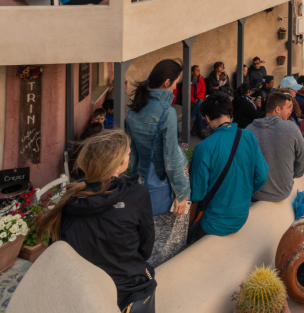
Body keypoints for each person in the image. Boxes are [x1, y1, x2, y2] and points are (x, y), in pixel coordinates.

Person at [38, 131, 157, 313]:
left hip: (85, 293)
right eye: (127, 153)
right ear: (119, 164)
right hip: (127, 292)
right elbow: (145, 248)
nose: (129, 155)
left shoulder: (68, 201)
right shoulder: (137, 195)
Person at [125, 59, 191, 266]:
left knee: (148, 235)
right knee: (170, 240)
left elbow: (132, 152)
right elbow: (170, 156)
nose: (175, 87)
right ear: (166, 82)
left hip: (144, 180)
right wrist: (181, 193)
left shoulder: (134, 109)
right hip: (168, 183)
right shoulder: (167, 112)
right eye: (175, 83)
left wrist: (135, 179)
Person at [190, 93, 268, 238]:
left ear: (207, 118)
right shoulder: (248, 136)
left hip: (212, 223)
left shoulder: (203, 148)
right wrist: (242, 193)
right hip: (241, 216)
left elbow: (197, 193)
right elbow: (262, 176)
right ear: (230, 113)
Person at [248, 92, 304, 202]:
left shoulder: (249, 130)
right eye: (288, 108)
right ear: (277, 109)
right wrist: (289, 175)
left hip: (255, 194)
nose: (290, 112)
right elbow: (302, 162)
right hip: (283, 192)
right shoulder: (292, 128)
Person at [189, 65, 208, 139]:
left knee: (200, 103)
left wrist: (197, 98)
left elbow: (203, 91)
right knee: (198, 110)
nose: (199, 71)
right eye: (197, 70)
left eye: (199, 70)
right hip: (191, 101)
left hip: (200, 99)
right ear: (192, 72)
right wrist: (194, 100)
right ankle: (200, 130)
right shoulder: (188, 80)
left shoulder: (201, 79)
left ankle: (189, 118)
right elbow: (186, 92)